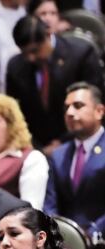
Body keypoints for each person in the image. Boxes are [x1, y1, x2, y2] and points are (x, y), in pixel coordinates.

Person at [6, 14, 104, 149]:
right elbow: (16, 114)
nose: (30, 58)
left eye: (34, 51)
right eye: (25, 53)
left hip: (79, 139)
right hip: (35, 146)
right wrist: (36, 147)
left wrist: (62, 143)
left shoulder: (81, 54)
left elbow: (92, 105)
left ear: (48, 33)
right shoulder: (15, 67)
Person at [45, 82, 105, 233]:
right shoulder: (58, 155)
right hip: (65, 245)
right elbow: (50, 203)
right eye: (66, 107)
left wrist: (93, 233)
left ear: (99, 111)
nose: (70, 113)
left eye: (78, 105)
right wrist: (59, 234)